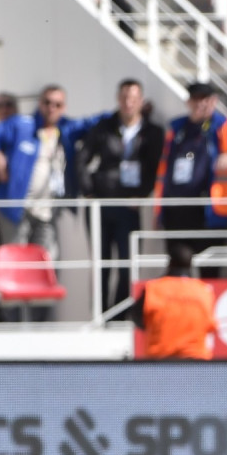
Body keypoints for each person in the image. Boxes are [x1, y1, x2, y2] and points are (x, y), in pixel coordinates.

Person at [0, 84, 104, 267]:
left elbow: (93, 122)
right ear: (40, 103)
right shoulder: (23, 124)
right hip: (17, 208)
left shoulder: (67, 129)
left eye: (57, 104)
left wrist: (133, 110)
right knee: (16, 263)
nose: (51, 108)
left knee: (45, 262)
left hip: (47, 210)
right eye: (47, 102)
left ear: (64, 107)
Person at [78, 78, 165, 318]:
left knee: (128, 263)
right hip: (102, 205)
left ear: (141, 101)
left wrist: (141, 195)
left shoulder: (152, 132)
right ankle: (101, 315)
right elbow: (82, 159)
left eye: (134, 98)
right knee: (101, 263)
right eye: (125, 98)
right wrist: (89, 193)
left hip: (130, 206)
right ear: (118, 99)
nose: (129, 103)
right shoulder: (103, 127)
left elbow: (154, 168)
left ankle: (121, 314)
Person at [159, 81, 227, 276]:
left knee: (209, 269)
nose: (201, 104)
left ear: (214, 101)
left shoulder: (223, 127)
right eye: (196, 99)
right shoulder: (177, 128)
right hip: (177, 208)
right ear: (189, 102)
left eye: (205, 99)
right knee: (178, 266)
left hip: (210, 210)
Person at [130, 244, 217, 360]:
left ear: (170, 263)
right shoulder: (203, 291)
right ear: (191, 265)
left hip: (160, 359)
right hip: (196, 361)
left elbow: (137, 317)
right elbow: (210, 325)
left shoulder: (154, 288)